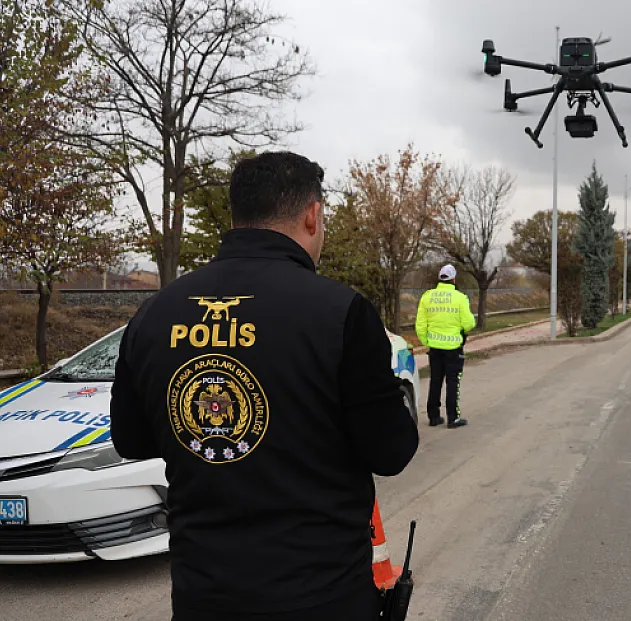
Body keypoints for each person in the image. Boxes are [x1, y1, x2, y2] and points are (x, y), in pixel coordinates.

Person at [110, 151, 419, 621]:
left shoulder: (155, 313)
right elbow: (391, 451)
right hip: (322, 595)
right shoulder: (341, 313)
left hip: (203, 597)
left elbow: (130, 440)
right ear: (313, 215)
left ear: (237, 214)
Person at [416, 264, 476, 428]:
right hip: (453, 348)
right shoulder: (460, 298)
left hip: (434, 347)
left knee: (435, 380)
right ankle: (453, 417)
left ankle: (433, 416)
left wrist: (427, 342)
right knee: (452, 382)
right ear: (453, 279)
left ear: (439, 279)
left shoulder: (427, 297)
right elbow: (469, 323)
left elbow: (420, 325)